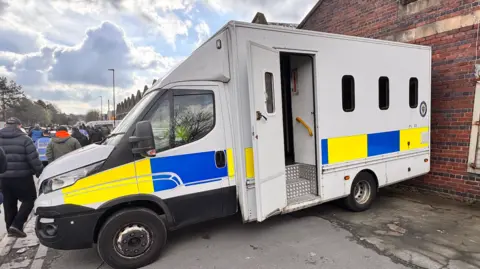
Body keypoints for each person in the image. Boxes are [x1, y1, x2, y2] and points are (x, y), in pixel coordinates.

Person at [0, 117, 43, 237]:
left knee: (9, 203)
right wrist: (40, 172)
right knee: (29, 199)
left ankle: (10, 229)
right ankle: (17, 225)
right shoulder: (25, 139)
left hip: (3, 177)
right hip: (22, 176)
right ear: (19, 126)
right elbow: (33, 159)